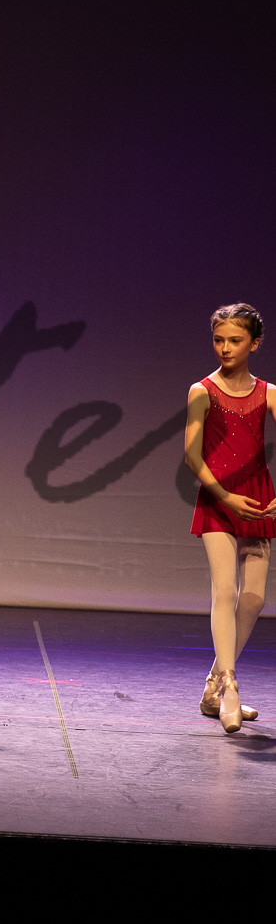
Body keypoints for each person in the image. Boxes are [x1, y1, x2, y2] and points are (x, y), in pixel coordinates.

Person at [183, 302, 275, 733]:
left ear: (254, 344)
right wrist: (224, 496)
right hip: (218, 496)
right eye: (219, 340)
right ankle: (231, 688)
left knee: (253, 599)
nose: (225, 348)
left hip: (257, 497)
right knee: (225, 590)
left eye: (235, 340)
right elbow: (191, 455)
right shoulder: (202, 390)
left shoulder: (268, 393)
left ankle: (213, 685)